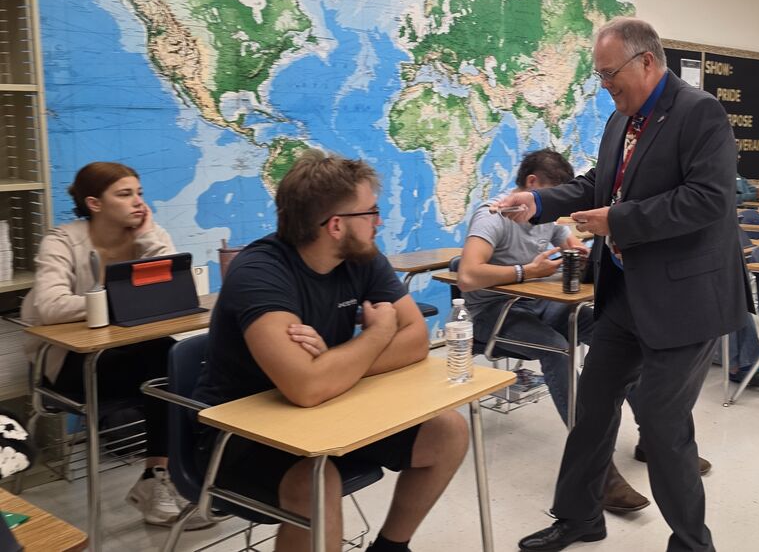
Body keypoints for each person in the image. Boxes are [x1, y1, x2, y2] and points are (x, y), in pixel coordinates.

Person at [498, 17, 750, 552]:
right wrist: (539, 203)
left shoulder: (700, 113)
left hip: (685, 301)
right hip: (624, 296)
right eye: (600, 75)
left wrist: (619, 220)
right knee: (592, 405)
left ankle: (691, 544)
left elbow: (709, 199)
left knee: (661, 418)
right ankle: (579, 518)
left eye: (610, 73)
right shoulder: (621, 120)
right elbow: (597, 185)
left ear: (648, 62)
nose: (604, 85)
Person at [192, 150, 468, 552]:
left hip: (331, 411)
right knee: (318, 483)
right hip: (240, 435)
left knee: (449, 431)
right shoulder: (259, 274)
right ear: (336, 225)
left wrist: (333, 365)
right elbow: (304, 387)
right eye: (371, 212)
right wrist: (374, 336)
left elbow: (416, 340)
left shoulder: (361, 257)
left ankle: (390, 548)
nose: (379, 221)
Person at [20, 162, 218, 528]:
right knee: (166, 368)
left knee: (174, 363)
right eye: (125, 195)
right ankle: (162, 479)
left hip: (130, 358)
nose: (138, 203)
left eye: (139, 193)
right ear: (95, 203)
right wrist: (121, 302)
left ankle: (163, 475)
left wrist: (149, 237)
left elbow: (174, 288)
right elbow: (49, 306)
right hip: (69, 367)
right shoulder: (62, 241)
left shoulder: (145, 234)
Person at [458, 147, 651, 513]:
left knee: (618, 334)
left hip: (534, 306)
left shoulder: (547, 219)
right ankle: (598, 471)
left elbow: (574, 248)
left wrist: (584, 250)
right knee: (557, 350)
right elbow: (468, 275)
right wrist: (524, 273)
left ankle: (652, 437)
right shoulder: (493, 216)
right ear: (533, 185)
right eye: (553, 192)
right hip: (493, 315)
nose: (556, 204)